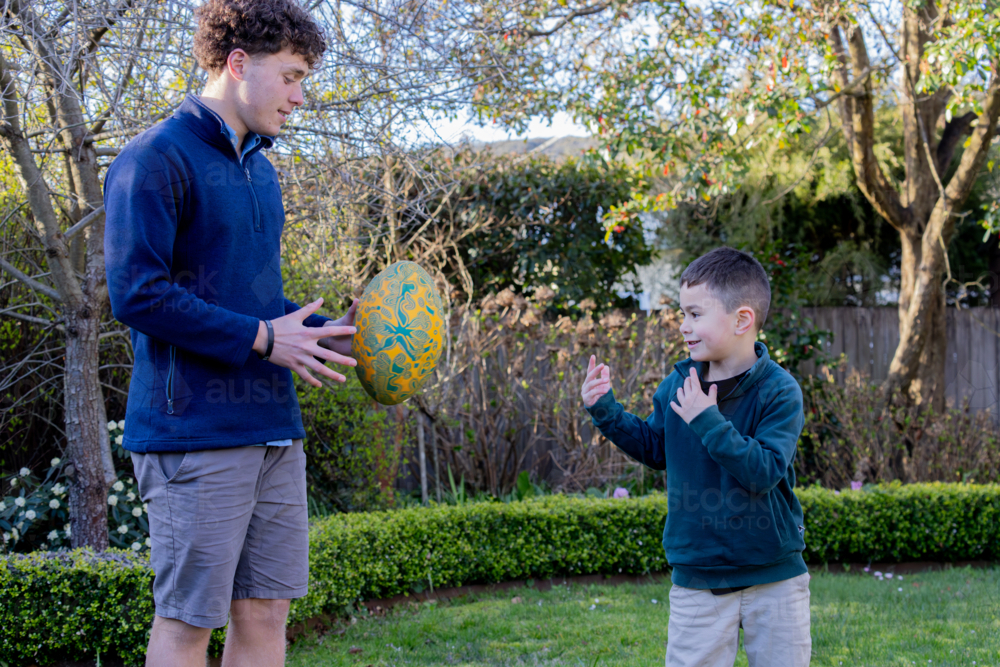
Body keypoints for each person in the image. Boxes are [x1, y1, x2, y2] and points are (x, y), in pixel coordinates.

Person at [103, 1, 353, 665]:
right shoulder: (153, 159)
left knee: (267, 614)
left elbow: (259, 303)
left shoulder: (261, 171)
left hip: (273, 426)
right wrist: (265, 340)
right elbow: (137, 292)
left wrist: (339, 334)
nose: (300, 98)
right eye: (292, 76)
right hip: (192, 434)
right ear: (239, 64)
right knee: (188, 623)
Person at [581, 246, 811, 667]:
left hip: (773, 576)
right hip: (697, 577)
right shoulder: (678, 385)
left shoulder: (779, 391)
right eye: (682, 314)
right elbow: (655, 448)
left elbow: (762, 471)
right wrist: (606, 411)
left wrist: (707, 419)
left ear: (742, 319)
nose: (683, 326)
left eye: (695, 314)